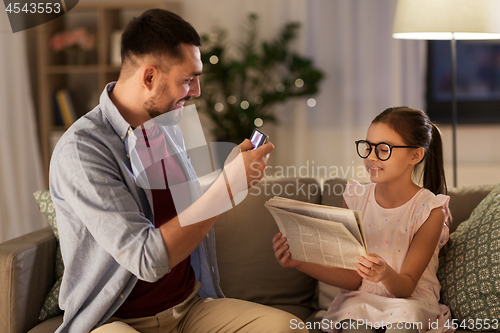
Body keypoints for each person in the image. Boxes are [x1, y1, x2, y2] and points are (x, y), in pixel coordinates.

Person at [50, 8, 308, 333]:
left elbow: (185, 212)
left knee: (290, 327)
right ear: (149, 77)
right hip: (114, 320)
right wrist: (225, 190)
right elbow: (147, 259)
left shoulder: (171, 122)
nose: (197, 91)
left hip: (188, 309)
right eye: (188, 79)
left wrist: (224, 176)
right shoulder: (83, 150)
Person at [273, 107, 452, 333]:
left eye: (383, 149)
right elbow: (352, 280)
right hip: (362, 300)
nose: (370, 157)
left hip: (410, 302)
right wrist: (298, 261)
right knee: (353, 323)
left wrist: (385, 273)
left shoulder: (430, 210)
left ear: (415, 155)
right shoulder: (355, 199)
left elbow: (405, 287)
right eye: (368, 147)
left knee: (403, 325)